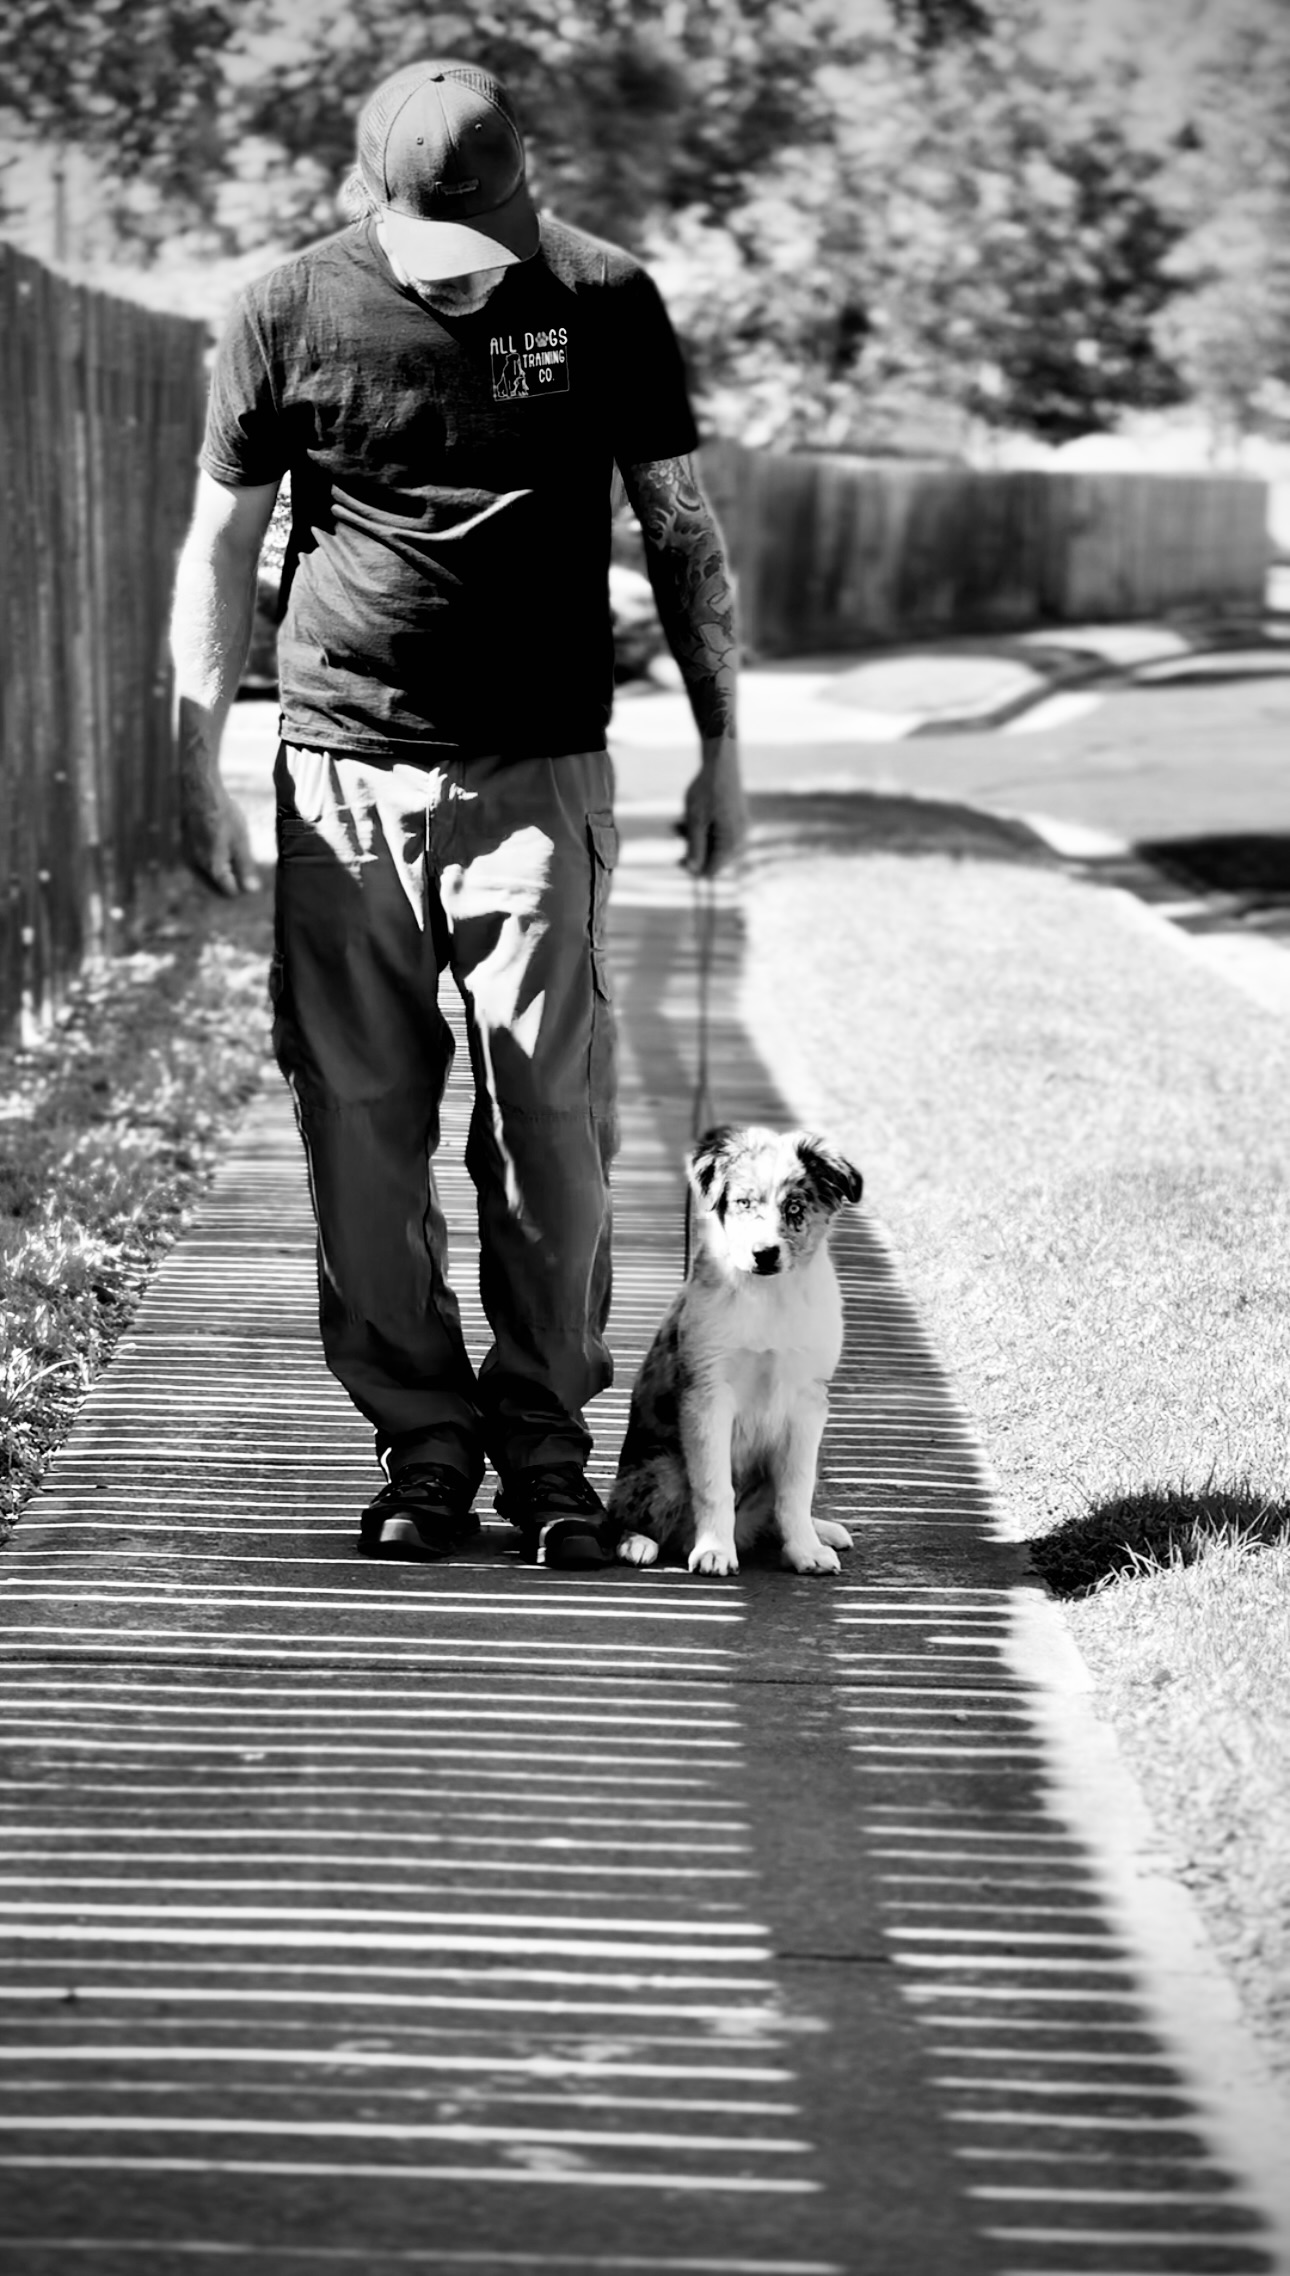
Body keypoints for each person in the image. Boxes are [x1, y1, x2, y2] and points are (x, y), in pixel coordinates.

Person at [169, 56, 747, 1571]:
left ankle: (546, 1451)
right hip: (337, 771)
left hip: (537, 774)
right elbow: (220, 544)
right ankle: (422, 1448)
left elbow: (680, 526)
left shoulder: (607, 297)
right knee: (360, 1129)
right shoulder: (286, 309)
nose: (471, 279)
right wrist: (195, 756)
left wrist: (724, 743)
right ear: (375, 191)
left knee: (549, 1121)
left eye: (489, 246)